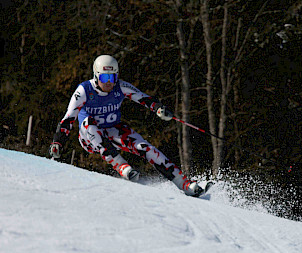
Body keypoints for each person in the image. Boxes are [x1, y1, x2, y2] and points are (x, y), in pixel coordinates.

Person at [49, 54, 204, 197]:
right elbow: (68, 119)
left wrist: (158, 109)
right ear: (96, 76)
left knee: (145, 148)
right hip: (89, 137)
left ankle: (185, 184)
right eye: (104, 77)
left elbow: (143, 98)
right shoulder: (84, 90)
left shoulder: (120, 86)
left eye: (112, 77)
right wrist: (58, 142)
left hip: (113, 130)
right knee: (89, 123)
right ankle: (122, 166)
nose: (109, 82)